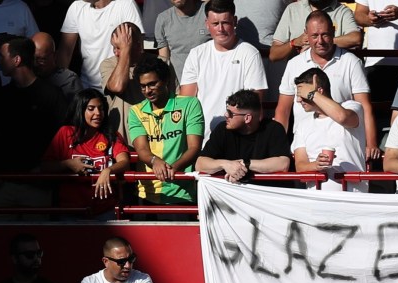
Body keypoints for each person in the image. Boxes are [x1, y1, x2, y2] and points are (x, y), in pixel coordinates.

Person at [274, 10, 376, 162]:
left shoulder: (351, 62)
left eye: (325, 34)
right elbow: (283, 109)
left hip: (342, 145)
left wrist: (371, 143)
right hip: (304, 146)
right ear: (306, 35)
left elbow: (364, 106)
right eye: (314, 36)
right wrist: (278, 148)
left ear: (334, 32)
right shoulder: (294, 64)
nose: (320, 41)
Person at [0, 37, 67, 212]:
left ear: (17, 60)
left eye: (2, 56)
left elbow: (64, 138)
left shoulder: (52, 95)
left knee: (36, 236)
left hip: (38, 186)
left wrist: (46, 170)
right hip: (2, 184)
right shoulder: (1, 96)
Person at [179, 0, 267, 142]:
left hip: (238, 141)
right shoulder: (196, 54)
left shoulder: (250, 53)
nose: (220, 29)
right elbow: (187, 103)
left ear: (235, 21)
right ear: (207, 24)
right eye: (215, 24)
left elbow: (254, 104)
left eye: (225, 22)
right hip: (202, 141)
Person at [128, 56, 205, 207]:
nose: (147, 91)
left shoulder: (190, 104)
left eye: (152, 84)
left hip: (182, 191)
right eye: (143, 86)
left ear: (165, 80)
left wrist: (173, 170)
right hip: (147, 193)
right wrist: (155, 161)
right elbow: (142, 149)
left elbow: (194, 147)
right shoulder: (135, 111)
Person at [41, 88, 131, 218]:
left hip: (105, 210)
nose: (98, 113)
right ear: (80, 110)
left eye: (101, 108)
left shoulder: (111, 135)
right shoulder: (65, 133)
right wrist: (68, 164)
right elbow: (45, 166)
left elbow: (124, 162)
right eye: (91, 108)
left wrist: (108, 171)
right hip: (70, 211)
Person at [291, 67, 366, 192]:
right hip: (317, 200)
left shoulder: (352, 107)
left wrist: (312, 94)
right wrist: (316, 165)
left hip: (352, 197)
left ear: (319, 92)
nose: (298, 100)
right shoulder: (303, 125)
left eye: (303, 95)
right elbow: (300, 166)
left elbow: (342, 118)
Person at [195, 89, 291, 182]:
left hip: (266, 192)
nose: (226, 115)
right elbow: (200, 163)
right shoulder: (222, 130)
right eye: (226, 111)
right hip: (231, 192)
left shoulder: (273, 129)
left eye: (230, 113)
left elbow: (283, 164)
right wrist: (225, 164)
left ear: (247, 118)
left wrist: (244, 164)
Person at [57, 0, 144, 90]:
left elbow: (139, 47)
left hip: (121, 86)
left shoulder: (126, 4)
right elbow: (65, 52)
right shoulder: (76, 7)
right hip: (87, 89)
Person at [269, 0, 360, 62]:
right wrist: (294, 42)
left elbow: (356, 38)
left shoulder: (342, 11)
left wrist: (316, 42)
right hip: (299, 76)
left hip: (333, 73)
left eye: (325, 34)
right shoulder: (293, 9)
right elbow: (274, 55)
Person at [99, 22, 147, 139]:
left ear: (138, 45)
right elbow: (117, 86)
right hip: (122, 142)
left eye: (119, 47)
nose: (115, 52)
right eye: (114, 47)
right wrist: (125, 50)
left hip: (156, 138)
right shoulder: (108, 64)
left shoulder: (161, 63)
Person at [155, 0, 209, 81]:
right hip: (180, 87)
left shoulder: (209, 12)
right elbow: (164, 59)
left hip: (209, 81)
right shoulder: (163, 19)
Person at [31, 32, 83, 102]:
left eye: (41, 60)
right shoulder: (26, 76)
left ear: (55, 56)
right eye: (32, 58)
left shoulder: (68, 81)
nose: (35, 64)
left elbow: (77, 110)